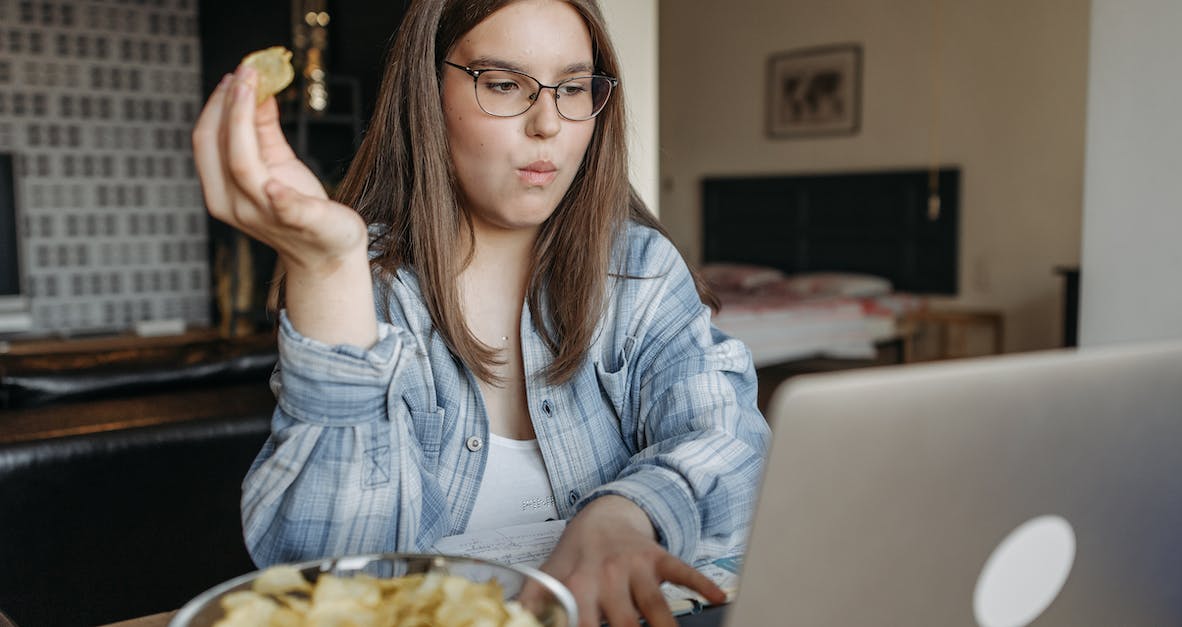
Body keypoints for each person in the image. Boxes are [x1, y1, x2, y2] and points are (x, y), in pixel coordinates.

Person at [191, 0, 770, 625]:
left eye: (573, 88)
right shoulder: (364, 294)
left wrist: (625, 512)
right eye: (503, 84)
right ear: (427, 95)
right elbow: (333, 569)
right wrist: (328, 271)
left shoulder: (640, 272)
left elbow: (731, 445)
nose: (548, 122)